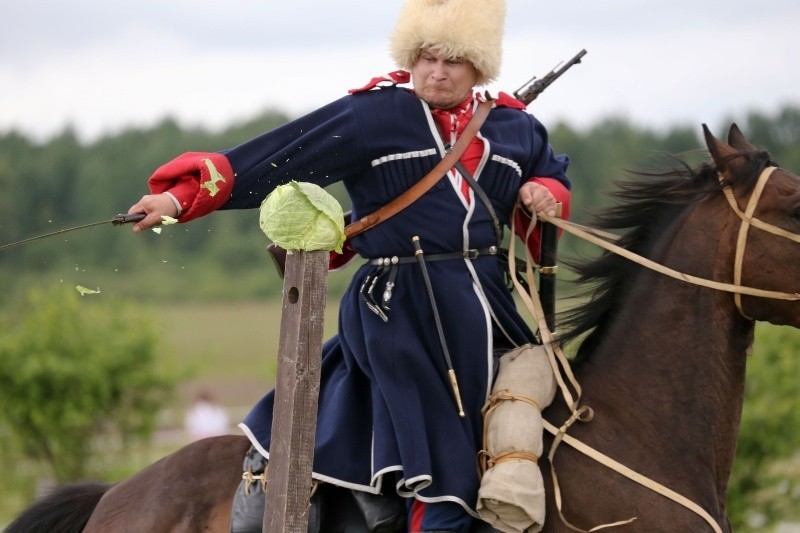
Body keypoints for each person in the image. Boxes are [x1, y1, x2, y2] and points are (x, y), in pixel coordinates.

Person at [128, 0, 570, 530]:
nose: (435, 70)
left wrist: (544, 193)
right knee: (446, 453)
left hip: (487, 302)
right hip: (398, 306)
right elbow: (276, 156)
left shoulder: (515, 127)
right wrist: (179, 200)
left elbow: (550, 177)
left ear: (479, 65)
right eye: (425, 58)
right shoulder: (374, 114)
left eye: (452, 59)